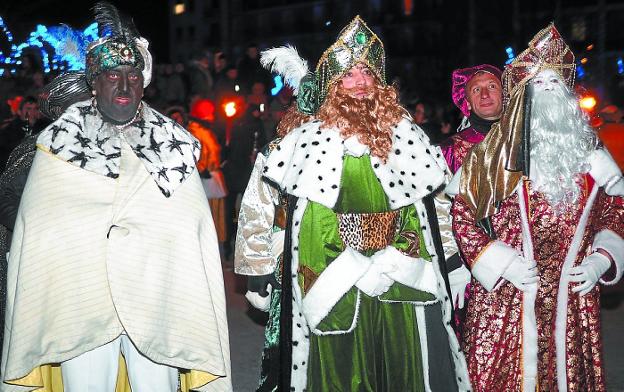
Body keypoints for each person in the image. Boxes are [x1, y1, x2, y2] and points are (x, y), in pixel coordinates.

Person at [0, 3, 231, 391]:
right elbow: (39, 227)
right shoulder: (58, 145)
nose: (124, 86)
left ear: (144, 82)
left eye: (133, 76)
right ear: (94, 82)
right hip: (80, 301)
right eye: (112, 76)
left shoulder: (173, 145)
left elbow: (189, 228)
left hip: (157, 300)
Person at [260, 16, 471, 391]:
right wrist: (355, 267)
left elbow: (420, 213)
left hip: (400, 272)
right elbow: (311, 222)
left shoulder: (405, 134)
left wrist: (399, 262)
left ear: (380, 83)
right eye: (349, 75)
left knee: (405, 365)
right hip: (338, 276)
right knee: (346, 371)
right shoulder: (309, 141)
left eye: (367, 74)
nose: (360, 83)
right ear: (334, 85)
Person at [451, 24, 624, 391]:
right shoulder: (494, 153)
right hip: (507, 296)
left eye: (554, 83)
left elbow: (616, 209)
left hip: (572, 296)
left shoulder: (591, 154)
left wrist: (602, 259)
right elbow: (462, 213)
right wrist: (500, 261)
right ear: (523, 94)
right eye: (538, 82)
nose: (547, 89)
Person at [440, 64, 503, 174]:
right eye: (476, 89)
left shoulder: (528, 139)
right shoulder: (449, 150)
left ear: (504, 95)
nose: (484, 95)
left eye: (492, 86)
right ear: (467, 103)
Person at [0, 96, 47, 170]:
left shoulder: (44, 127)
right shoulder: (10, 130)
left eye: (35, 108)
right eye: (29, 109)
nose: (32, 112)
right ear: (19, 111)